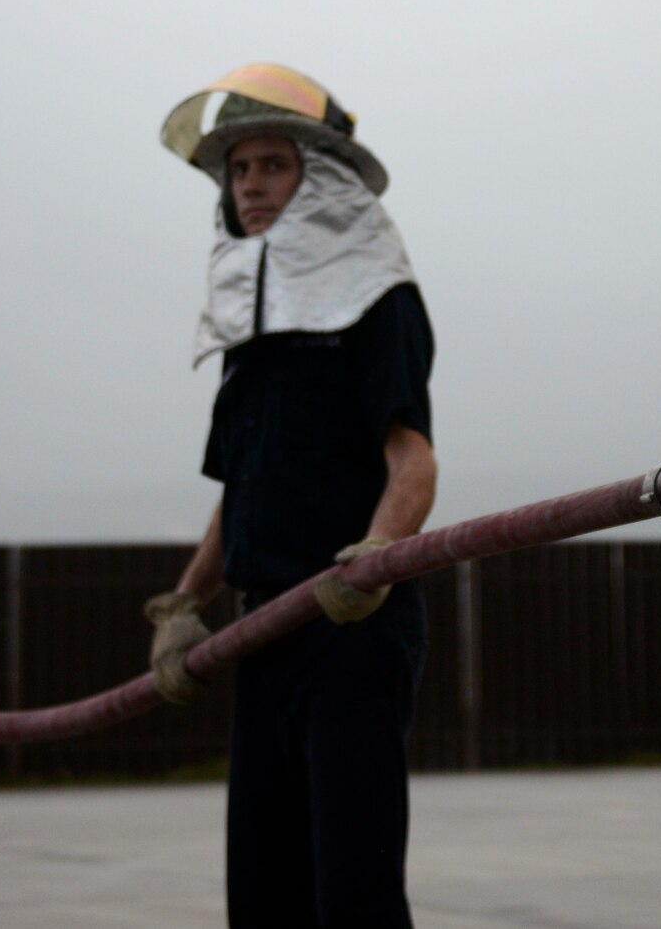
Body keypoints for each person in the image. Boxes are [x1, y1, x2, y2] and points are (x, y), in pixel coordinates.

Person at [145, 63, 438, 928]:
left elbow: (413, 462)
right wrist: (186, 604)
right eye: (239, 170)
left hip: (351, 622)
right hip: (260, 629)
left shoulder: (378, 300)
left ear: (320, 176)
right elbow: (245, 487)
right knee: (264, 891)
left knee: (350, 889)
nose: (252, 185)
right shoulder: (253, 327)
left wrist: (373, 559)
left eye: (272, 164)